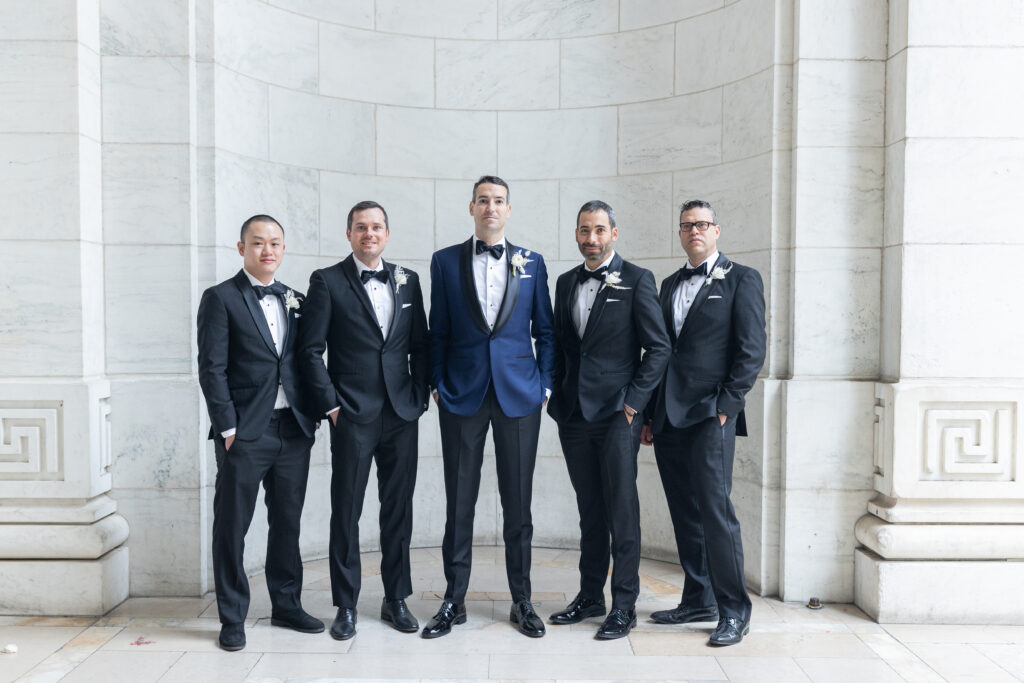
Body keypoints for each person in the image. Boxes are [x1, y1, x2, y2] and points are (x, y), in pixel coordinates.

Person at [423, 175, 555, 639]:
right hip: (461, 395)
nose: (490, 207)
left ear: (509, 209)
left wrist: (545, 385)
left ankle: (522, 601)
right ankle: (453, 601)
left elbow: (547, 332)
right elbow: (436, 330)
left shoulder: (532, 262)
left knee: (518, 506)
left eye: (498, 200)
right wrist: (437, 381)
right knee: (459, 504)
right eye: (483, 200)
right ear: (472, 207)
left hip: (520, 396)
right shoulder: (443, 262)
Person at [297, 201, 429, 640]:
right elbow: (310, 350)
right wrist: (331, 405)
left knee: (398, 511)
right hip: (351, 414)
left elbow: (421, 344)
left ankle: (396, 600)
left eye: (376, 227)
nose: (368, 234)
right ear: (349, 234)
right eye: (360, 227)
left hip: (401, 413)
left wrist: (420, 396)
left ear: (387, 234)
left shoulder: (409, 280)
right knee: (347, 511)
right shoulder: (327, 281)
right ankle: (346, 605)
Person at [641, 199, 767, 646]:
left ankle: (734, 609)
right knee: (685, 514)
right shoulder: (670, 283)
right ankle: (699, 598)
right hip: (669, 416)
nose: (695, 231)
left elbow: (751, 350)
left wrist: (727, 406)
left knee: (716, 514)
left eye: (702, 224)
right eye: (687, 225)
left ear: (717, 231)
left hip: (711, 415)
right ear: (680, 234)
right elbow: (661, 353)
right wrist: (651, 414)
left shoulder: (742, 280)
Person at [197, 214, 322, 651]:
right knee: (232, 526)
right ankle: (232, 617)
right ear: (241, 248)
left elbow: (307, 360)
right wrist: (227, 427)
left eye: (274, 243)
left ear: (283, 250)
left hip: (294, 428)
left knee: (287, 522)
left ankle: (286, 604)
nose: (266, 250)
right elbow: (211, 368)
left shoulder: (297, 299)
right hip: (245, 433)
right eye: (257, 243)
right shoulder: (220, 298)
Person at [547, 200, 670, 639]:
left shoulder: (637, 280)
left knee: (622, 510)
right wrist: (556, 394)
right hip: (573, 415)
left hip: (619, 415)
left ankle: (624, 605)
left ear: (614, 233)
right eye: (584, 230)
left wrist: (634, 403)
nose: (591, 238)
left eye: (599, 230)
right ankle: (589, 596)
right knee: (589, 510)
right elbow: (562, 346)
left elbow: (658, 348)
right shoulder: (564, 282)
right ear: (576, 234)